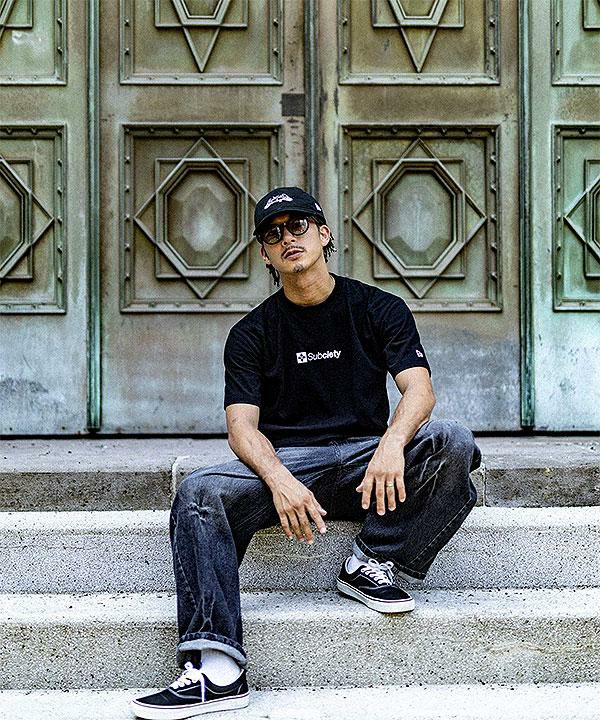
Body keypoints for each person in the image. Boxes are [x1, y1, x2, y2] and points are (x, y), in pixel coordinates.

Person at [131, 187, 481, 719]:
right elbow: (241, 429)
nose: (287, 239)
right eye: (273, 234)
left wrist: (391, 444)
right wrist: (278, 478)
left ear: (324, 234)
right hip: (296, 469)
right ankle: (218, 672)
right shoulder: (251, 333)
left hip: (368, 464)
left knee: (452, 442)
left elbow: (420, 391)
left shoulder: (378, 308)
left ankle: (372, 559)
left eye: (298, 226)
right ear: (265, 254)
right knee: (199, 493)